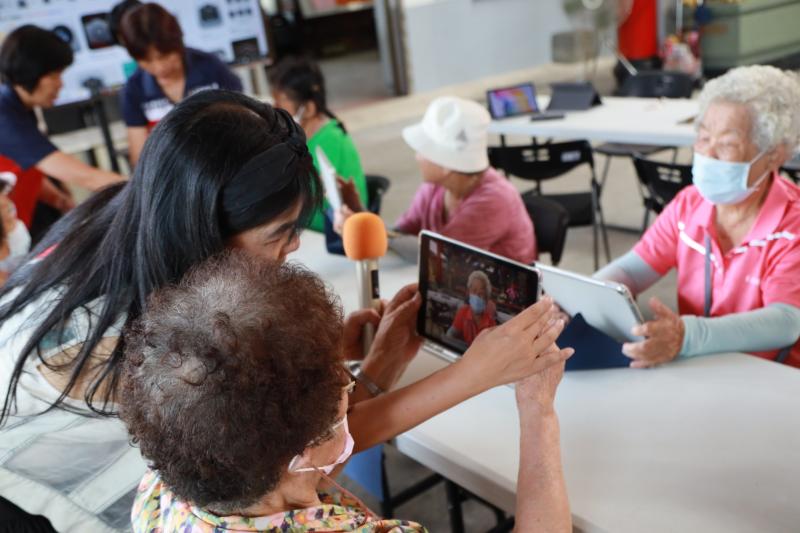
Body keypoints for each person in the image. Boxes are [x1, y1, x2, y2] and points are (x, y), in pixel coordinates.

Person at [0, 90, 571, 531]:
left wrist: (345, 362)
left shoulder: (132, 231)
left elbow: (285, 455)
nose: (294, 246)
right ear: (208, 227)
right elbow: (279, 461)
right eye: (278, 232)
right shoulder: (129, 346)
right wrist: (475, 376)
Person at [120, 252, 572, 533]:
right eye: (344, 384)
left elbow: (304, 451)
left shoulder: (172, 479)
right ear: (301, 453)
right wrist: (538, 410)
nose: (348, 386)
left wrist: (383, 366)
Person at [595, 65, 800, 368]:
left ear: (775, 155)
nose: (708, 155)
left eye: (727, 144)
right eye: (703, 138)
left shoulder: (791, 225)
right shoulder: (691, 204)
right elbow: (631, 271)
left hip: (774, 380)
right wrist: (584, 296)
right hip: (700, 369)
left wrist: (688, 335)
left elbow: (786, 321)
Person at [338, 97, 536, 264]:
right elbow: (401, 233)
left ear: (446, 165)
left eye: (423, 151)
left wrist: (362, 229)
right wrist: (360, 215)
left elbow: (434, 253)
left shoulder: (494, 201)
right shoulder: (434, 187)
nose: (417, 156)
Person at [0, 25, 124, 232]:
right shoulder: (5, 117)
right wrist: (147, 186)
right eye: (54, 75)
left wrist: (58, 199)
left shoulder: (21, 108)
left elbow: (26, 167)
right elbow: (85, 176)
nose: (60, 84)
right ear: (30, 72)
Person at [118, 2, 243, 165]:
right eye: (146, 61)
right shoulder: (134, 90)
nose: (159, 67)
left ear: (177, 43)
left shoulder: (212, 68)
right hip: (171, 174)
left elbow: (242, 123)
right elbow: (140, 159)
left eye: (165, 56)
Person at [269, 56, 369, 236]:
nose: (273, 107)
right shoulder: (303, 136)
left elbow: (306, 200)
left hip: (329, 232)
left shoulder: (329, 141)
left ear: (307, 108)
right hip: (309, 229)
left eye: (280, 101)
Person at [447, 270, 497, 345]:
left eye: (481, 294)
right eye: (474, 291)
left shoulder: (491, 324)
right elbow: (451, 333)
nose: (476, 296)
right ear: (469, 293)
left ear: (486, 299)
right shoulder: (463, 312)